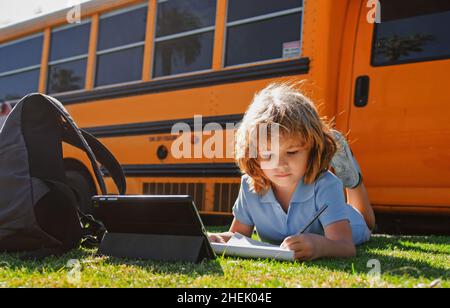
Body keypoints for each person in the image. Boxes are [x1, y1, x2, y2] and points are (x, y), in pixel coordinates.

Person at [208, 83, 375, 260]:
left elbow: (345, 246)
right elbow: (237, 236)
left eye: (292, 152)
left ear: (313, 149)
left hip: (350, 223)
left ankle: (352, 182)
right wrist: (218, 239)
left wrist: (318, 245)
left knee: (366, 222)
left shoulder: (326, 184)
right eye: (267, 154)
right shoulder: (249, 185)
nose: (280, 164)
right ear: (253, 155)